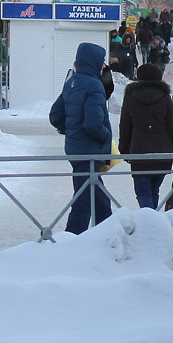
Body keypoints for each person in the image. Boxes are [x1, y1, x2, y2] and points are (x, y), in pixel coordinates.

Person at [49, 43, 113, 235]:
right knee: (84, 200)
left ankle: (108, 232)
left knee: (98, 197)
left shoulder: (72, 82)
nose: (103, 66)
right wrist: (107, 135)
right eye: (101, 62)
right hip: (89, 150)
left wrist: (69, 129)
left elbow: (55, 116)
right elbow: (93, 124)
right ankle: (73, 238)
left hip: (76, 149)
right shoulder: (95, 85)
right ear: (94, 62)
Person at [118, 64, 173, 209]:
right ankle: (153, 219)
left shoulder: (130, 96)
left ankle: (149, 219)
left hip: (139, 151)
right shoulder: (165, 97)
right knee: (154, 189)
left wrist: (124, 150)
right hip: (163, 152)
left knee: (143, 191)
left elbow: (125, 126)